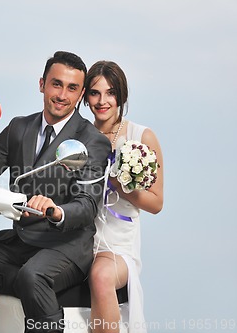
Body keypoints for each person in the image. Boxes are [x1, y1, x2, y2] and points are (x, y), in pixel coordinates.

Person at [0, 51, 111, 333]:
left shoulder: (92, 141)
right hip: (21, 239)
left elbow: (87, 205)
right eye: (56, 84)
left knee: (32, 276)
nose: (62, 94)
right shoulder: (18, 128)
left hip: (66, 245)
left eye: (72, 88)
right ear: (42, 84)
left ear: (81, 93)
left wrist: (56, 209)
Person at [84, 60, 164, 333]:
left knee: (101, 274)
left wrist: (121, 185)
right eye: (94, 93)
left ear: (122, 96)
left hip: (118, 246)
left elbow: (156, 203)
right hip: (80, 239)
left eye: (110, 93)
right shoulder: (79, 136)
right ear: (85, 97)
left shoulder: (141, 136)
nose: (102, 101)